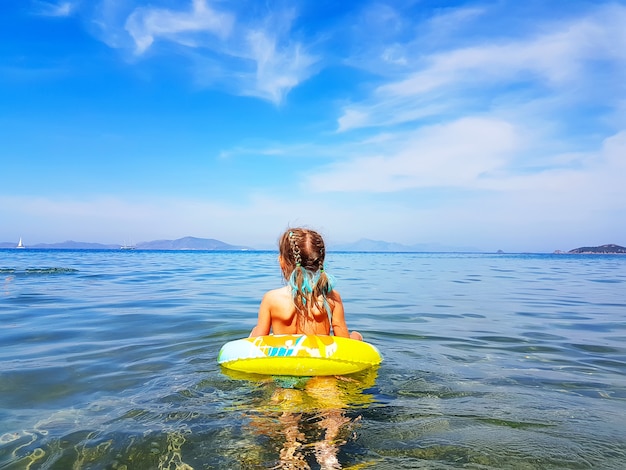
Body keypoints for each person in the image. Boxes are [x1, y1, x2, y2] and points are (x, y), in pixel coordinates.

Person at [250, 227, 362, 341]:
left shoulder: (271, 298)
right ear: (321, 262)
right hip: (317, 356)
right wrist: (356, 337)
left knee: (255, 330)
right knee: (356, 335)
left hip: (285, 357)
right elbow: (344, 341)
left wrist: (255, 332)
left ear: (281, 262)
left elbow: (257, 341)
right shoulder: (332, 297)